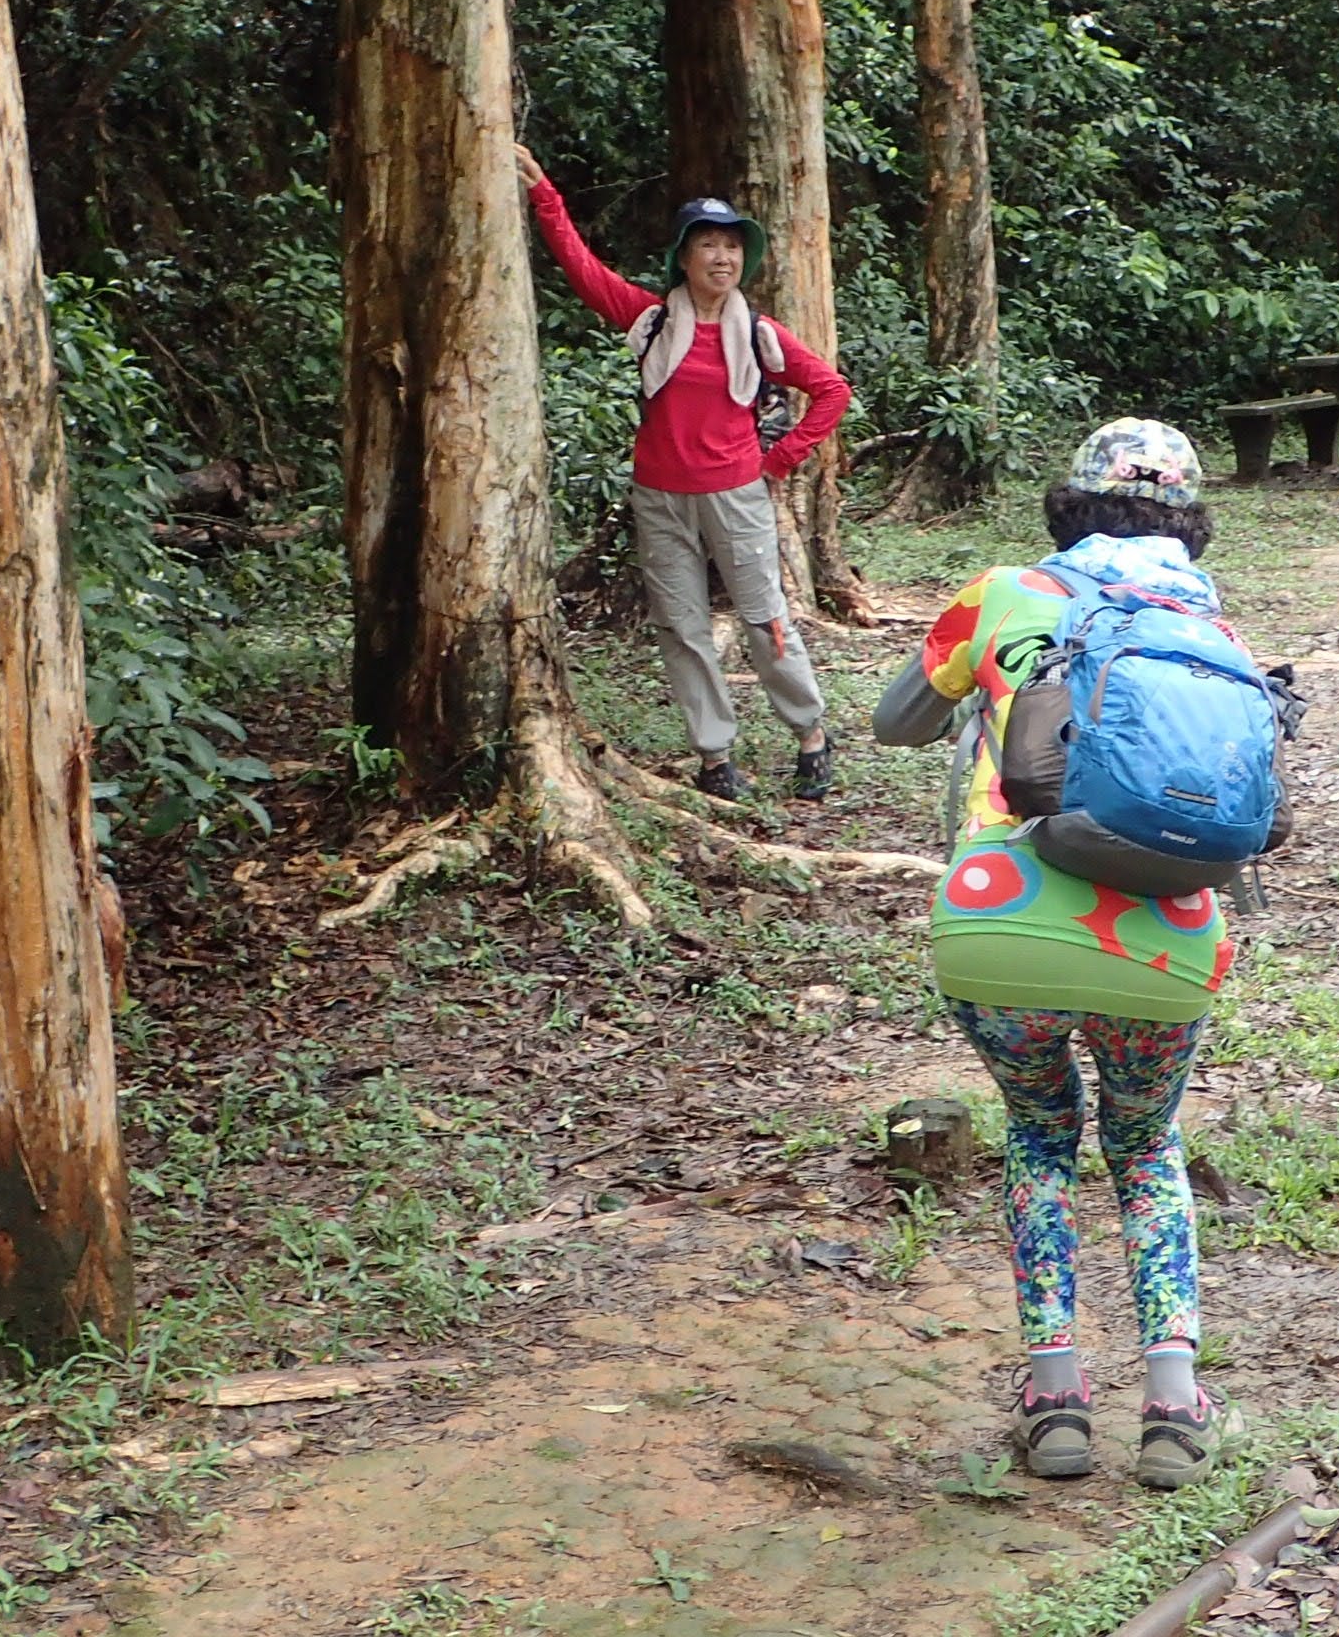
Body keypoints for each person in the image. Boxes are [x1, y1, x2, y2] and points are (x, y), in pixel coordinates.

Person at [869, 417, 1236, 1490]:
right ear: (1186, 524)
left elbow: (895, 723)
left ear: (1070, 505)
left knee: (1040, 1136)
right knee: (1144, 1146)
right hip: (1162, 940)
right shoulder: (1203, 621)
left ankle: (1055, 1402)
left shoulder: (1001, 592)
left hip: (1003, 925)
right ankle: (1172, 1408)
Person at [519, 144, 850, 802]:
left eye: (732, 246)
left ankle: (811, 735)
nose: (722, 257)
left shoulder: (758, 333)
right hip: (660, 496)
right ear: (684, 257)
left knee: (765, 618)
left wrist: (779, 460)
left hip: (737, 494)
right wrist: (544, 195)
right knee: (681, 626)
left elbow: (831, 390)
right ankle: (714, 755)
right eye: (708, 245)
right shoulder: (653, 320)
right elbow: (583, 269)